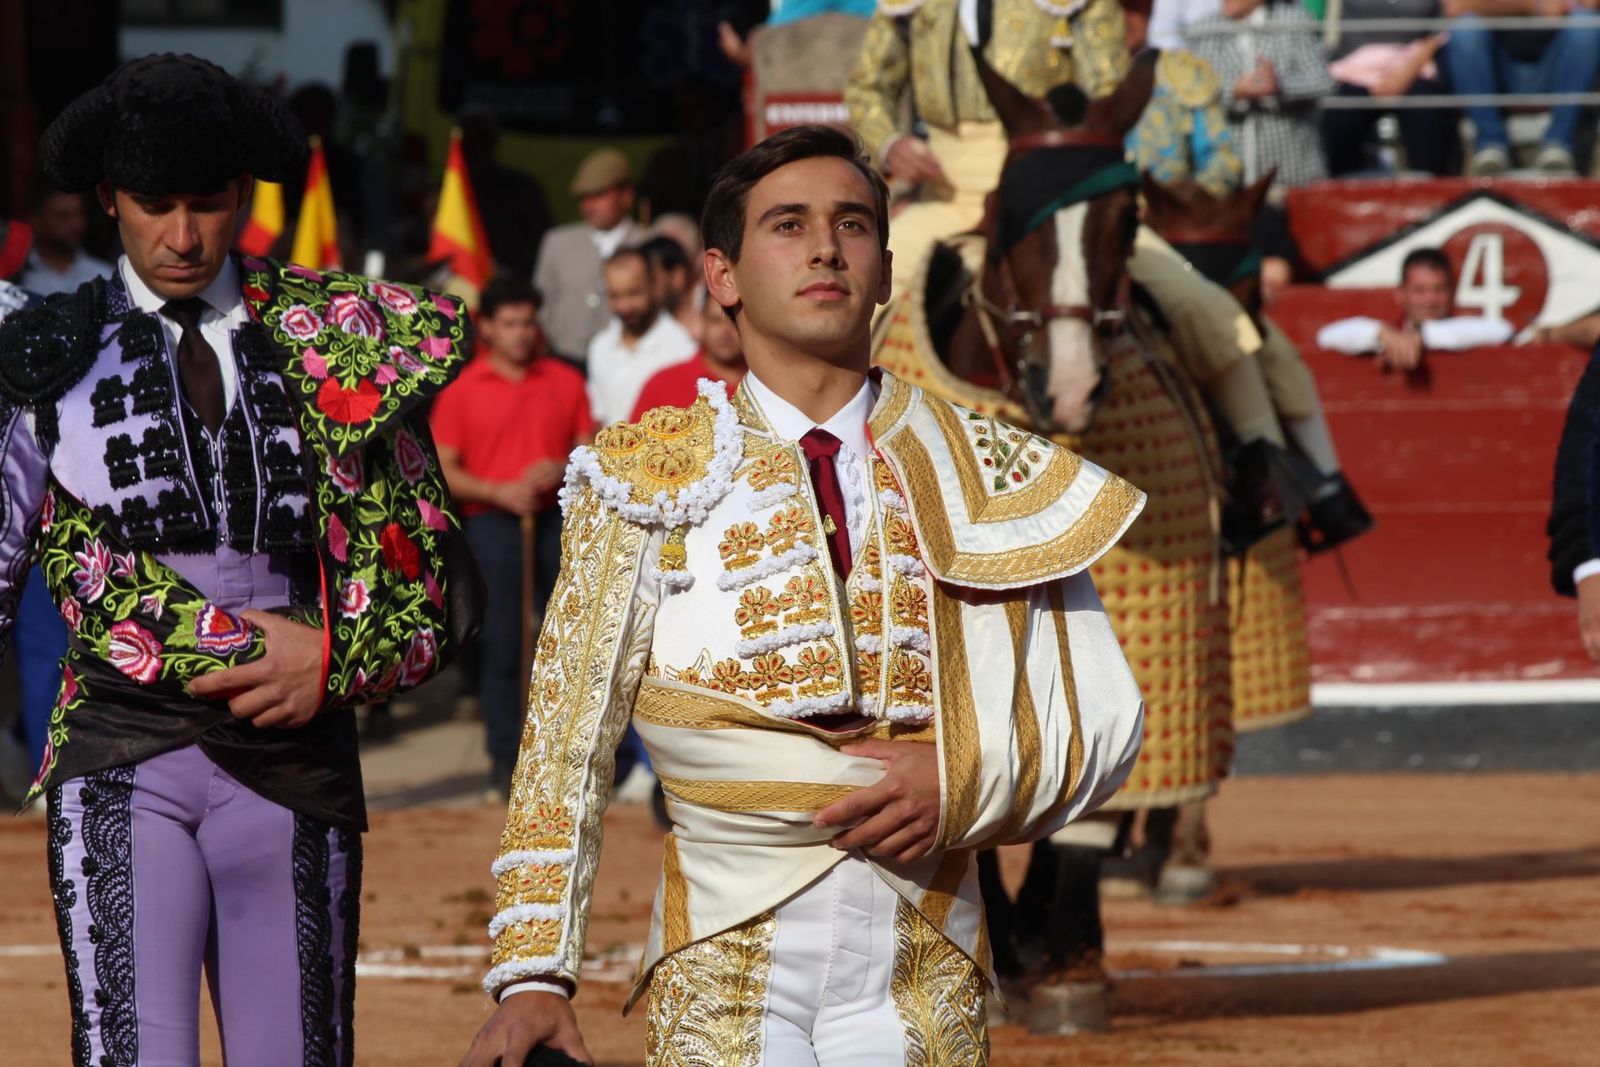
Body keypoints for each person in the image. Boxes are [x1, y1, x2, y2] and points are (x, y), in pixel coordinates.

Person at [459, 123, 1145, 1067]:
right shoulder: (643, 472)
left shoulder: (988, 463)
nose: (826, 246)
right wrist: (536, 971)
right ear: (722, 275)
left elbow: (1101, 710)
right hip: (725, 951)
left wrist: (963, 778)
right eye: (789, 224)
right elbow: (567, 734)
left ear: (886, 268)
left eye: (852, 224)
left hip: (926, 946)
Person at [0, 54, 480, 1066]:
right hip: (122, 751)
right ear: (107, 200)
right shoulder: (38, 356)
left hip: (295, 754)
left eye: (208, 204)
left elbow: (436, 580)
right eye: (154, 204)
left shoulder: (340, 340)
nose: (183, 236)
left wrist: (338, 656)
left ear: (244, 197)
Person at [430, 275, 595, 798]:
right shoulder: (462, 388)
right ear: (488, 329)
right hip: (493, 523)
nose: (522, 333)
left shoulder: (565, 380)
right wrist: (499, 490)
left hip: (555, 519)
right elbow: (444, 468)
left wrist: (561, 467)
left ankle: (568, 755)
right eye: (511, 324)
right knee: (503, 642)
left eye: (529, 322)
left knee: (567, 641)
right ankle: (505, 756)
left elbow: (589, 447)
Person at [843, 0, 1126, 296]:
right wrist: (890, 144)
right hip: (945, 196)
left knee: (1177, 294)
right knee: (863, 290)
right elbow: (868, 86)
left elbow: (1110, 100)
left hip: (1055, 202)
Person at [1186, 0, 1335, 189]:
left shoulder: (1293, 21)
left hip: (1290, 169)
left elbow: (1322, 81)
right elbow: (1194, 90)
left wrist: (1281, 86)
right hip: (1227, 175)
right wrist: (1234, 91)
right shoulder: (1205, 29)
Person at [1442, 0, 1600, 177]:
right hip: (1495, 69)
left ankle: (1559, 144)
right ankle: (1490, 145)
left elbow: (1588, 4)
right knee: (1466, 29)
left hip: (1562, 67)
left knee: (1586, 24)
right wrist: (1534, 6)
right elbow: (1457, 7)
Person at [532, 147, 645, 364]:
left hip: (627, 360)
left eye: (599, 195)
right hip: (564, 359)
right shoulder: (557, 242)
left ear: (626, 196)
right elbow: (541, 304)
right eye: (584, 198)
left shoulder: (646, 243)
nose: (589, 206)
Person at [1315, 247, 1515, 369]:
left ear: (1452, 292)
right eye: (1420, 291)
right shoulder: (1390, 333)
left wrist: (1422, 336)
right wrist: (1381, 334)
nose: (1430, 300)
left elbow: (1502, 330)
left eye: (1439, 289)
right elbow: (1325, 337)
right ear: (1401, 294)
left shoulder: (1462, 331)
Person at [1121, 0, 1243, 195]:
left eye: (1134, 10)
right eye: (1112, 11)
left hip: (1169, 216)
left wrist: (1188, 199)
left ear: (1150, 11)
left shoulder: (1183, 73)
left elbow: (1221, 158)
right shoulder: (1074, 78)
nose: (1124, 20)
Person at [1321, 1, 1455, 176]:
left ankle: (1431, 190)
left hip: (1415, 68)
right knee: (1341, 120)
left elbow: (1441, 27)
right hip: (1355, 70)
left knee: (1427, 115)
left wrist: (1406, 71)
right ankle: (1343, 192)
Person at [585, 247, 698, 426]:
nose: (625, 306)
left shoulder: (682, 348)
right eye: (615, 295)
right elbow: (599, 417)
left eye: (634, 293)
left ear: (655, 284)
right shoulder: (600, 346)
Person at [630, 290, 749, 418]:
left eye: (734, 321)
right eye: (716, 320)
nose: (725, 330)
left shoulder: (765, 383)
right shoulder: (662, 385)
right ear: (701, 321)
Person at [19, 187, 112, 295]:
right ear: (37, 220)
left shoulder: (105, 276)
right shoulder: (17, 276)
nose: (75, 225)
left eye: (79, 214)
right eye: (63, 216)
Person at [640, 233, 700, 338]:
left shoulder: (715, 315)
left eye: (653, 279)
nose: (646, 287)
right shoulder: (649, 328)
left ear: (678, 276)